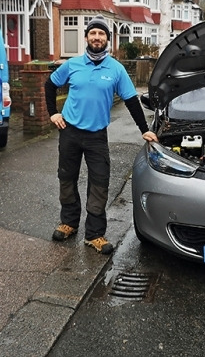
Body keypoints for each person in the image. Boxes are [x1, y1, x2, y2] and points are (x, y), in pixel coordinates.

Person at [45, 15, 158, 255]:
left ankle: (94, 234)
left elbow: (130, 100)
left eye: (101, 33)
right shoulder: (73, 64)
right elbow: (50, 84)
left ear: (107, 38)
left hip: (97, 135)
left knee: (99, 182)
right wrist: (53, 113)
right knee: (67, 177)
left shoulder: (115, 69)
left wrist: (145, 129)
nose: (97, 37)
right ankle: (69, 223)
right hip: (70, 131)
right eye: (93, 33)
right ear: (86, 37)